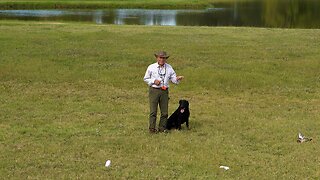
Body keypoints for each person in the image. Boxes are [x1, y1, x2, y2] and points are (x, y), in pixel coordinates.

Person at [143, 51, 184, 133]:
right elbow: (146, 78)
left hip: (164, 91)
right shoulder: (151, 67)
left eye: (164, 58)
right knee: (153, 111)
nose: (162, 59)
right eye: (160, 58)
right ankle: (152, 129)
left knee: (164, 112)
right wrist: (154, 81)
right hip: (154, 90)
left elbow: (173, 79)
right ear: (157, 58)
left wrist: (177, 79)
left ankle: (162, 128)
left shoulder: (169, 68)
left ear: (166, 59)